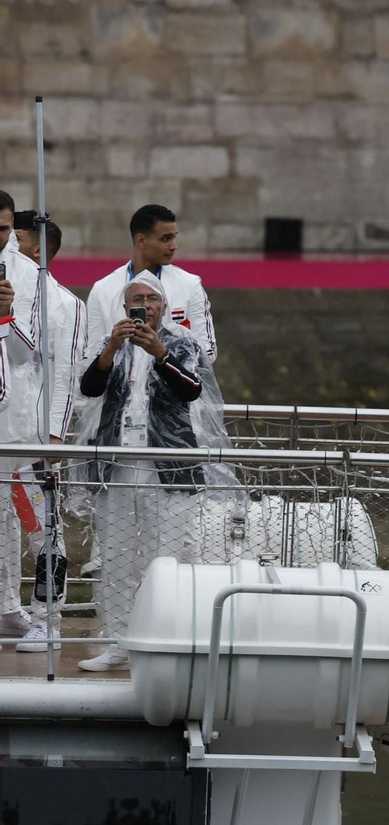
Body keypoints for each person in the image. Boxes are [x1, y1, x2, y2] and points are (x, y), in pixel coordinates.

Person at [73, 271, 237, 672]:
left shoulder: (182, 343)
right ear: (124, 306)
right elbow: (90, 387)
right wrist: (112, 347)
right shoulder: (111, 345)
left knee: (170, 557)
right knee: (116, 556)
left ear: (164, 306)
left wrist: (159, 352)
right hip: (118, 464)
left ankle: (168, 641)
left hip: (170, 467)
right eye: (136, 299)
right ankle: (119, 642)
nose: (144, 305)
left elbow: (191, 390)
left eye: (152, 299)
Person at [8, 213, 84, 651]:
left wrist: (53, 436)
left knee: (44, 528)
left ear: (37, 249)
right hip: (4, 427)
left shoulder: (64, 304)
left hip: (34, 436)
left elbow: (66, 374)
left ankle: (47, 616)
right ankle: (7, 610)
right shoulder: (9, 293)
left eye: (15, 239)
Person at [83, 205, 218, 373]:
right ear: (141, 240)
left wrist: (162, 355)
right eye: (165, 238)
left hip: (172, 395)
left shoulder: (189, 285)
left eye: (174, 237)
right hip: (119, 395)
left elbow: (208, 352)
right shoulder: (103, 289)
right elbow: (89, 356)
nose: (173, 246)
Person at [0, 190, 41, 648]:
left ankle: (6, 603)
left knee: (3, 514)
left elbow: (25, 352)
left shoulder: (28, 275)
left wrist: (4, 315)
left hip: (6, 410)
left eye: (5, 228)